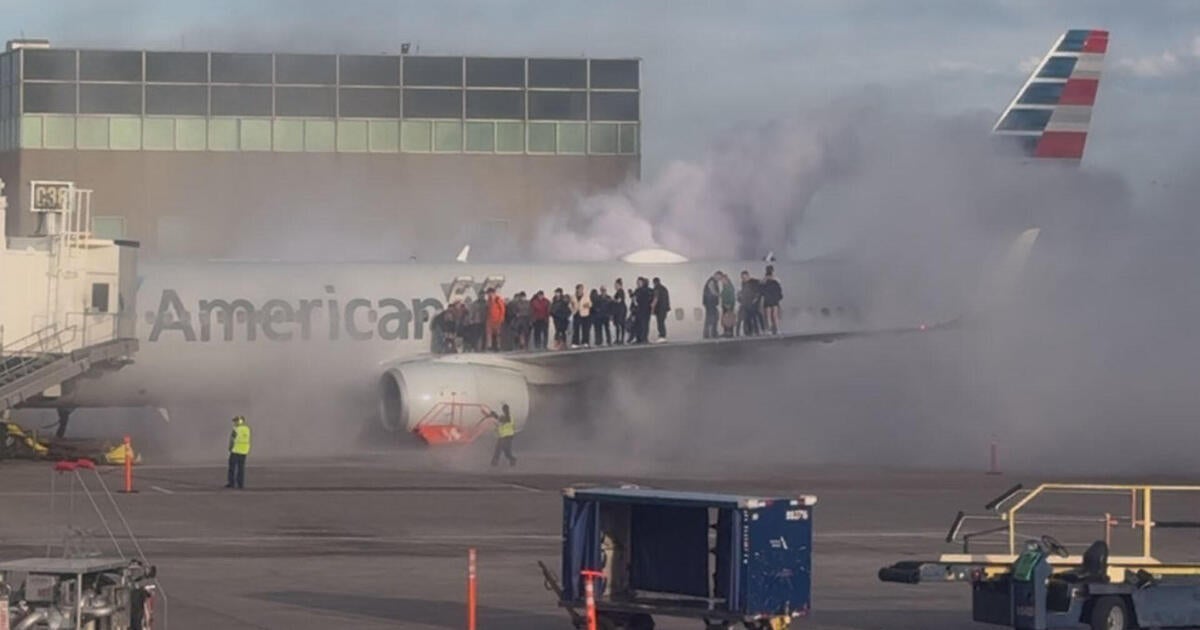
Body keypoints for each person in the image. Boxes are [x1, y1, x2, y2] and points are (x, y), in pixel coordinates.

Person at [225, 415, 251, 489]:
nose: (234, 422)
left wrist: (230, 447)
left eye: (235, 421)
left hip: (235, 450)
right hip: (244, 451)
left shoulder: (236, 429)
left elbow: (232, 439)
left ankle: (231, 483)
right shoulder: (247, 429)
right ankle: (240, 484)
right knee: (241, 468)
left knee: (232, 468)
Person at [739, 271, 762, 336]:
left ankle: (757, 331)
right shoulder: (743, 283)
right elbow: (743, 291)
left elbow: (758, 292)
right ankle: (749, 331)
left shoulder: (754, 282)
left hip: (754, 302)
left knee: (754, 316)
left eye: (745, 277)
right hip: (746, 302)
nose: (744, 279)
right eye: (742, 278)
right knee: (747, 317)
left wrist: (755, 300)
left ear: (748, 276)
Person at [762, 265, 783, 335]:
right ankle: (776, 329)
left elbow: (761, 287)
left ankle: (771, 329)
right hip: (773, 298)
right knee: (774, 315)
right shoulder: (775, 279)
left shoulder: (765, 279)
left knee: (770, 315)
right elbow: (779, 289)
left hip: (769, 298)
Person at [631, 277, 654, 344]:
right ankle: (640, 338)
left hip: (644, 310)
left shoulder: (644, 290)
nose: (638, 284)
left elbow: (635, 300)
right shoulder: (640, 290)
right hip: (641, 310)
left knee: (643, 324)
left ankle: (643, 338)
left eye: (639, 282)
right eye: (637, 282)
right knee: (639, 324)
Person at [651, 277, 671, 343]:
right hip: (665, 309)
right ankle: (663, 335)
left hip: (659, 309)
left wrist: (652, 308)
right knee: (662, 322)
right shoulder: (664, 288)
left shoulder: (656, 289)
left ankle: (662, 336)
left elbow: (656, 298)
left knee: (660, 323)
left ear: (654, 282)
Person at [702, 273, 721, 339]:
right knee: (712, 318)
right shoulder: (712, 281)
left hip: (709, 303)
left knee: (711, 317)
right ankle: (711, 333)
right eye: (718, 277)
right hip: (710, 303)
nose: (719, 279)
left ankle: (709, 333)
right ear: (716, 275)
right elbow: (713, 291)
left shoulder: (712, 281)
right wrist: (719, 295)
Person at [719, 271, 737, 337]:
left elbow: (731, 297)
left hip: (728, 305)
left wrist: (729, 304)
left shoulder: (729, 287)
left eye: (722, 280)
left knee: (728, 319)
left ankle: (729, 332)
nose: (722, 281)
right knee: (726, 319)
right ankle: (726, 332)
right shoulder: (725, 286)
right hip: (725, 305)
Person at [611, 278, 627, 345]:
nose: (615, 286)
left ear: (618, 285)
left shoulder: (620, 291)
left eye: (616, 285)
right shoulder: (619, 292)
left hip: (620, 310)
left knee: (620, 324)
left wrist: (613, 300)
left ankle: (620, 339)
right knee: (620, 324)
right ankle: (620, 339)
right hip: (620, 309)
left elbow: (619, 300)